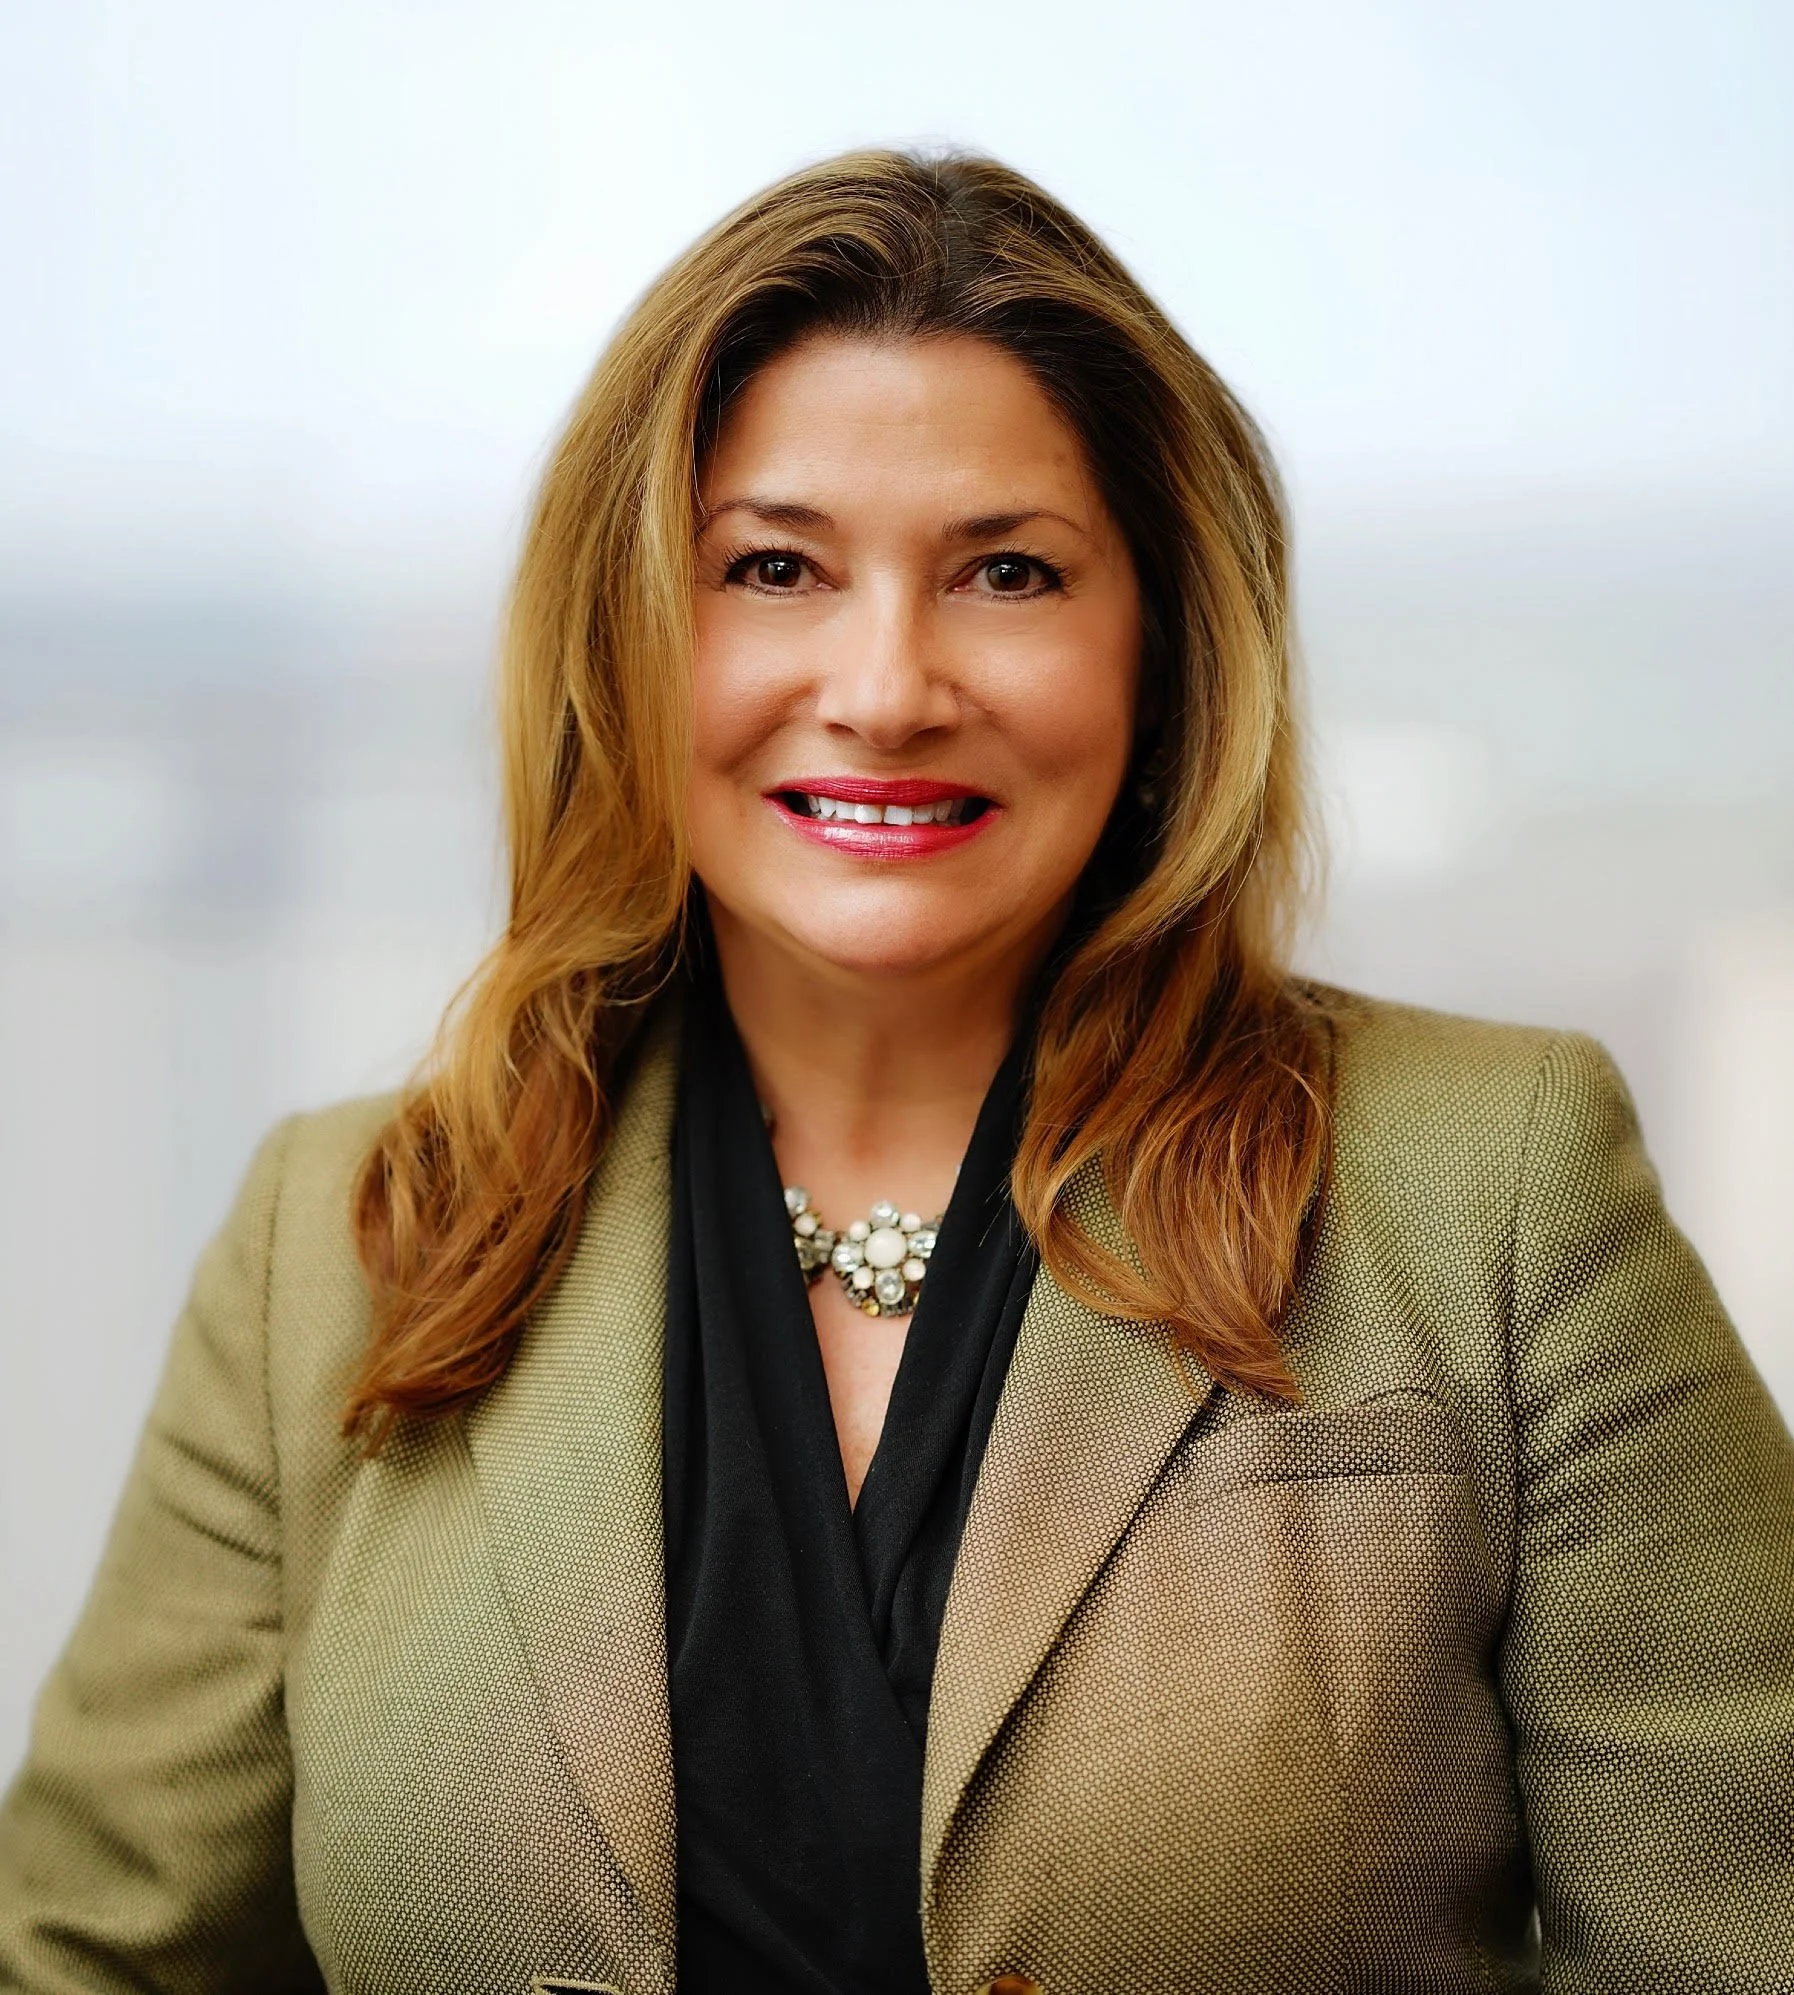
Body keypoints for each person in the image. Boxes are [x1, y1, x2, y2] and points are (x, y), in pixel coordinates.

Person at [1, 148, 1790, 1995]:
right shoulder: (344, 1237)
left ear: (1160, 650)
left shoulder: (1496, 1186)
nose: (883, 684)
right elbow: (90, 1961)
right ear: (626, 637)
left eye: (1005, 573)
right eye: (772, 567)